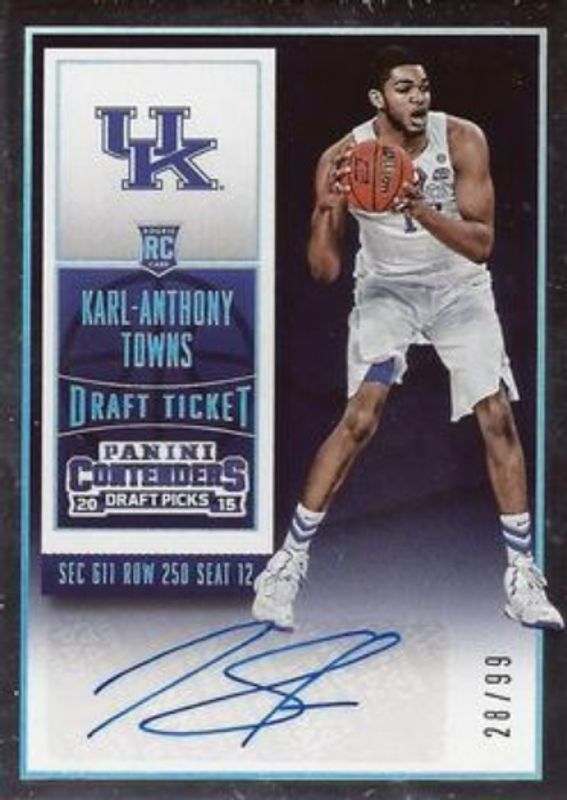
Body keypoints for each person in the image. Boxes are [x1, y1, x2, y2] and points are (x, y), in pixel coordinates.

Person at [252, 46, 563, 631]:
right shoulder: (341, 157)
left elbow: (482, 245)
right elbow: (324, 270)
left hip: (458, 290)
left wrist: (419, 208)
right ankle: (285, 566)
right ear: (378, 98)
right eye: (404, 88)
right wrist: (326, 209)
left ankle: (522, 576)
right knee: (361, 416)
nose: (419, 98)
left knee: (496, 414)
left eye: (424, 87)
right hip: (386, 291)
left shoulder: (462, 139)